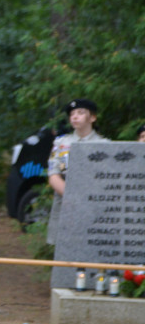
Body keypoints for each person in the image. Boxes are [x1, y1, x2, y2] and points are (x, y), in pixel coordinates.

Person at [46, 98, 108, 245]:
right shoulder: (61, 144)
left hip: (93, 204)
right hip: (66, 201)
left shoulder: (104, 145)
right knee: (64, 248)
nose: (74, 116)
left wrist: (86, 198)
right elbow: (53, 173)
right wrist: (72, 195)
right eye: (72, 114)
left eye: (80, 113)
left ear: (92, 117)